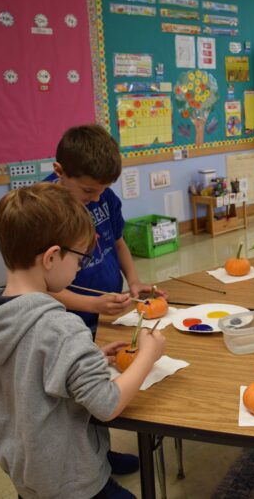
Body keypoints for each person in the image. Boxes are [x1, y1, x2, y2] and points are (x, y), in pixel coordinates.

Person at [0, 184, 166, 499]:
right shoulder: (61, 328)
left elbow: (30, 372)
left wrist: (91, 356)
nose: (80, 266)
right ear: (50, 257)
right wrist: (148, 355)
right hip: (72, 478)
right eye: (80, 258)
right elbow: (107, 404)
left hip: (30, 475)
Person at [46, 124, 166, 474]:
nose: (97, 198)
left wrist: (134, 281)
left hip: (97, 311)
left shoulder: (102, 198)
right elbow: (42, 286)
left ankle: (101, 453)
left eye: (103, 190)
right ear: (60, 172)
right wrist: (91, 305)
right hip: (67, 315)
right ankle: (86, 463)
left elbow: (117, 240)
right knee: (75, 397)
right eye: (88, 190)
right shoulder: (46, 210)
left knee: (95, 380)